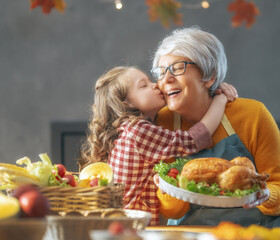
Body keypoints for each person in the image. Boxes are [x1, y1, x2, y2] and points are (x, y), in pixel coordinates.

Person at [151, 27, 280, 227]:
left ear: (209, 76)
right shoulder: (162, 122)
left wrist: (266, 195)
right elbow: (172, 211)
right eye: (161, 72)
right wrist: (171, 189)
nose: (166, 79)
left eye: (178, 68)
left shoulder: (253, 114)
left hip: (259, 232)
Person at [79, 66, 237, 226]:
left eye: (150, 80)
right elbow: (194, 139)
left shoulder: (125, 129)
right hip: (135, 229)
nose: (155, 85)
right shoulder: (138, 130)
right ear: (125, 102)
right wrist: (220, 99)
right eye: (144, 85)